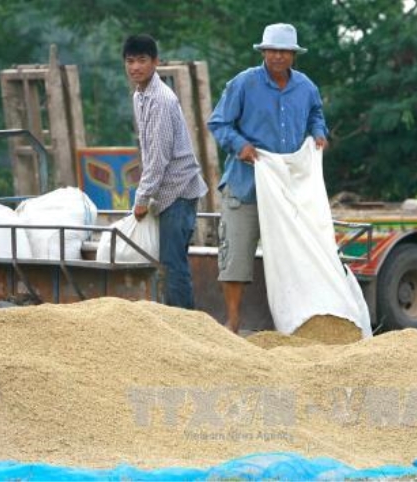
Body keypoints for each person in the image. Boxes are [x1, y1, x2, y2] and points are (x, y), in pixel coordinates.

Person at [207, 23, 329, 333]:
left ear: (293, 55)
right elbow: (219, 123)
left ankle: (293, 323)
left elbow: (316, 114)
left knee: (294, 257)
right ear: (263, 52)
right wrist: (240, 146)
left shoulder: (306, 87)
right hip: (246, 184)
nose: (277, 56)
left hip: (288, 188)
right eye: (272, 50)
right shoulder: (243, 84)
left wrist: (318, 133)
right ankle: (233, 321)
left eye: (284, 51)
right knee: (235, 257)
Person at [122, 34, 208, 309]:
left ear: (155, 62)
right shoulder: (140, 95)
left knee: (173, 264)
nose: (135, 67)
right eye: (130, 61)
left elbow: (158, 159)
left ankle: (185, 326)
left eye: (142, 60)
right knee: (168, 262)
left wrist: (141, 199)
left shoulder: (161, 99)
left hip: (179, 190)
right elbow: (147, 152)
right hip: (164, 193)